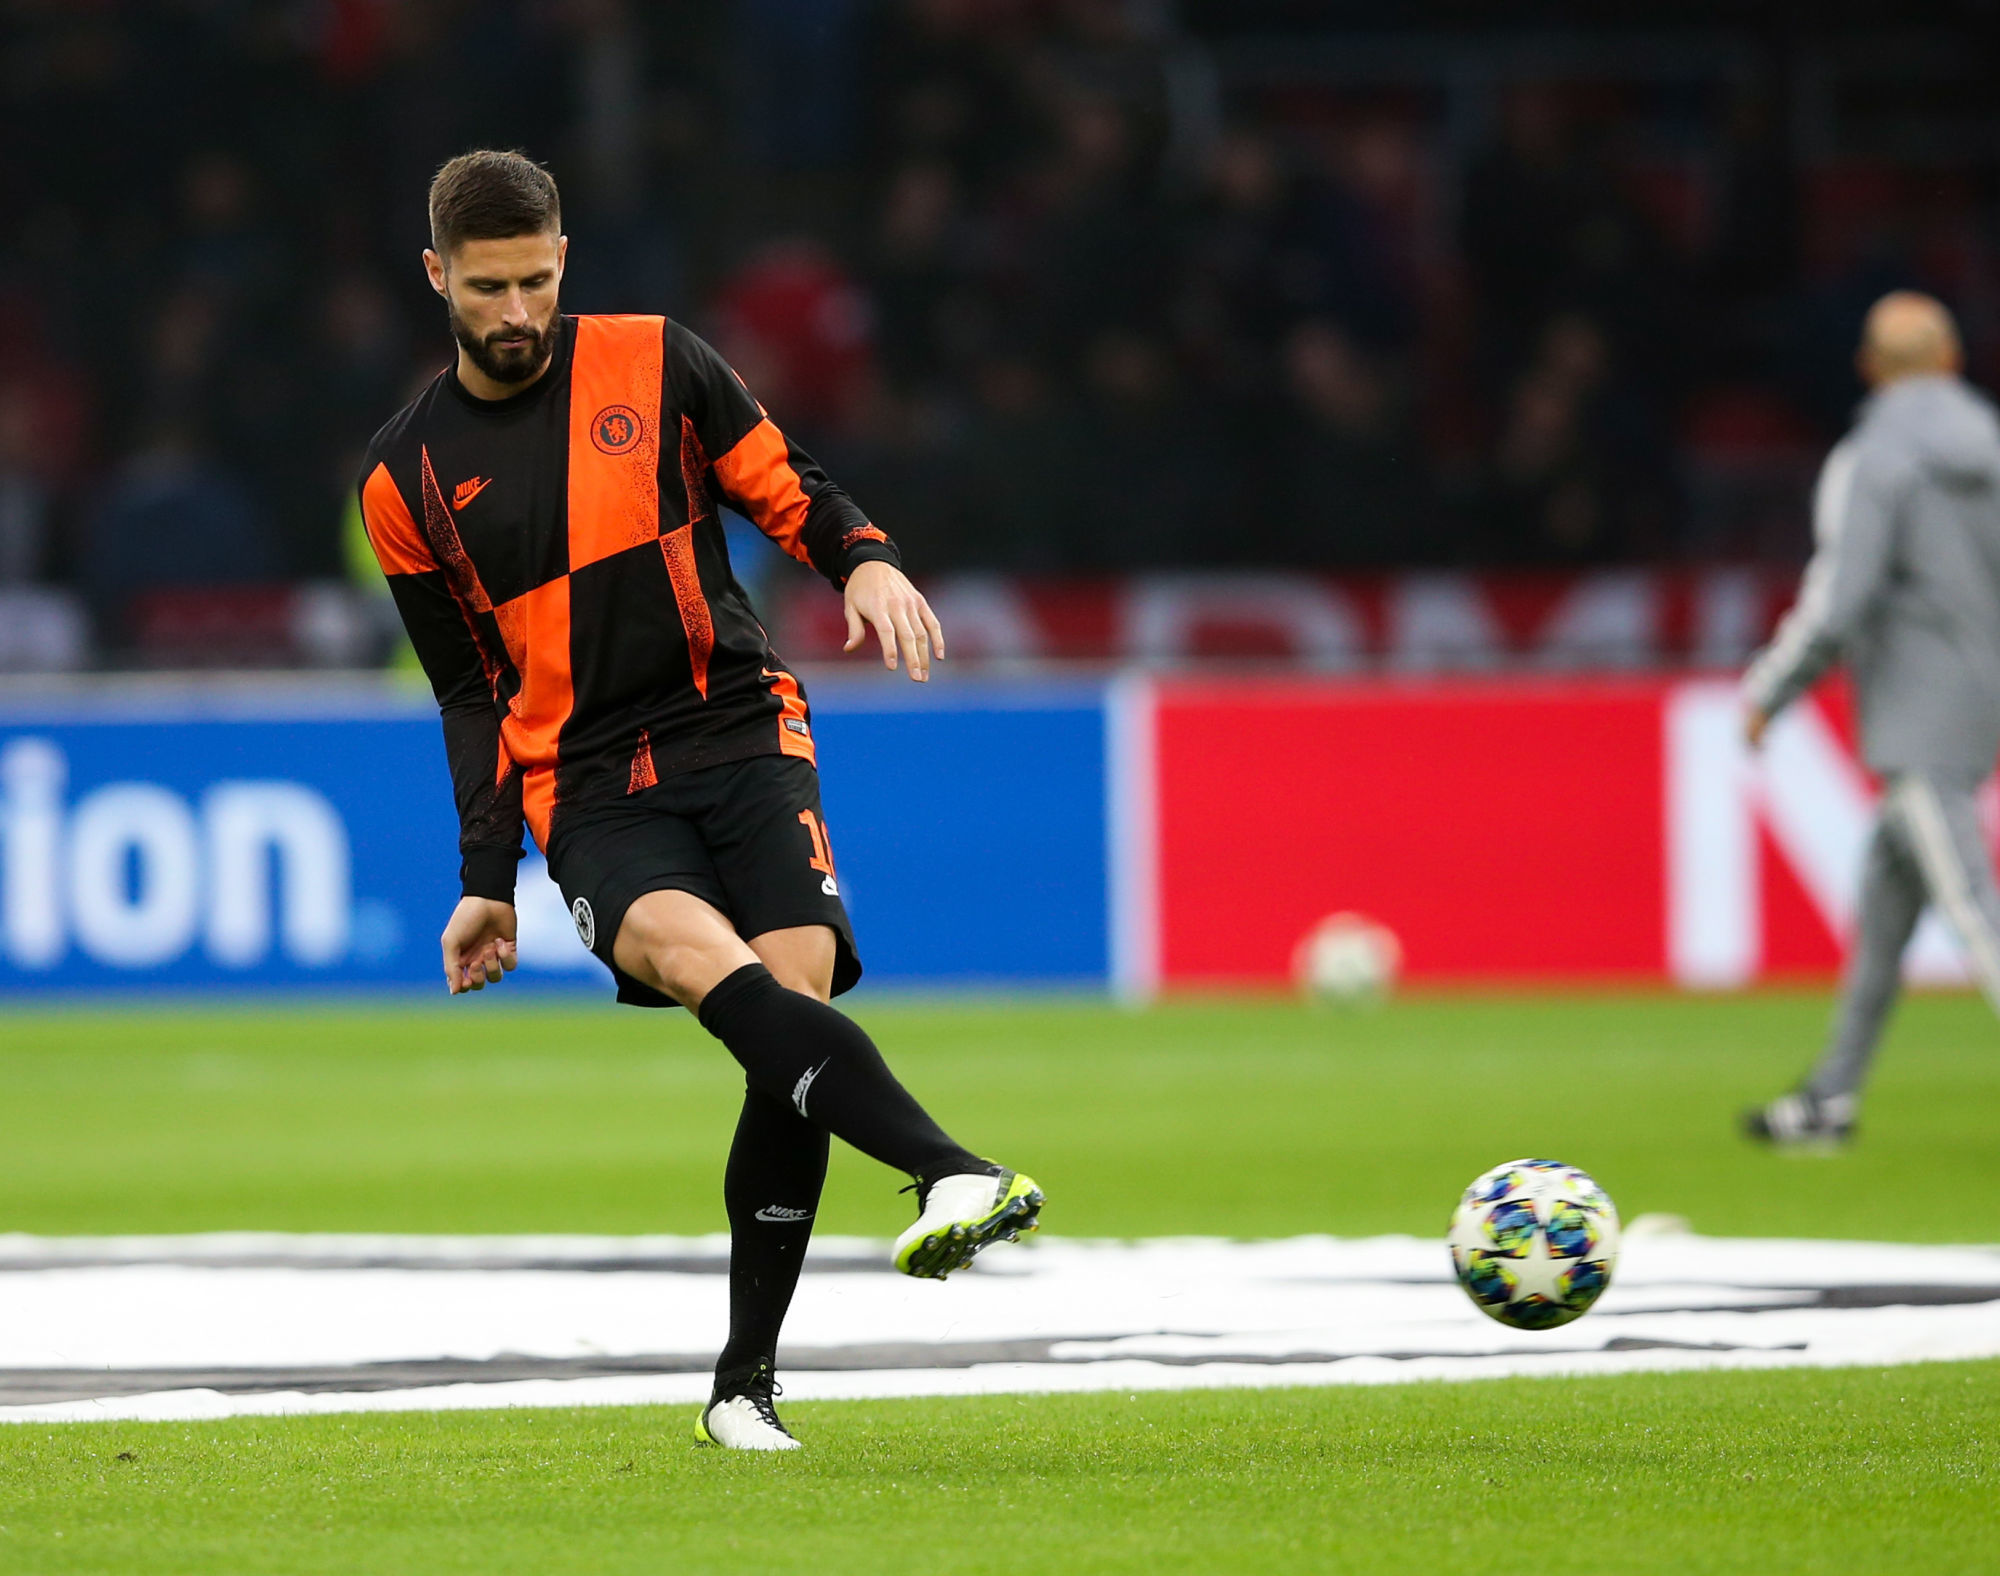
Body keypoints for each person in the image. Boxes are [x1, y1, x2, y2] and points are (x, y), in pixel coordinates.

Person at [357, 150, 1042, 1449]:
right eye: (490, 288)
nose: (517, 313)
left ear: (566, 262)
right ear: (439, 277)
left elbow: (788, 480)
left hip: (739, 728)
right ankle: (951, 1170)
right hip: (594, 783)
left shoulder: (660, 360)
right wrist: (483, 878)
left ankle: (743, 1388)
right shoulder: (405, 478)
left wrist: (868, 563)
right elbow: (466, 693)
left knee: (785, 1028)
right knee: (715, 978)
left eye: (539, 282)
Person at [1741, 291, 2000, 1147]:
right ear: (1953, 362)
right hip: (1980, 696)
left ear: (1869, 370)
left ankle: (1829, 1099)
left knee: (1971, 909)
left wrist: (1772, 688)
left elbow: (1839, 598)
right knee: (1887, 911)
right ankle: (1831, 1098)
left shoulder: (1874, 458)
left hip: (1917, 712)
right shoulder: (1991, 446)